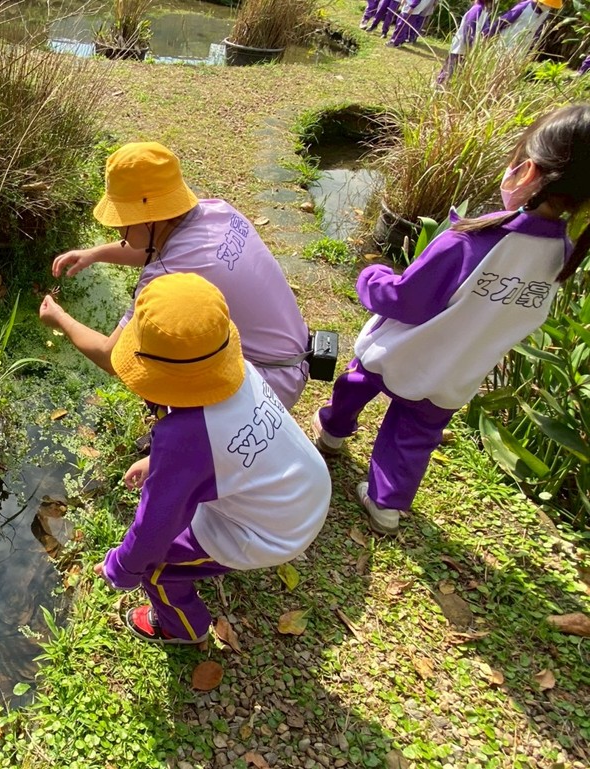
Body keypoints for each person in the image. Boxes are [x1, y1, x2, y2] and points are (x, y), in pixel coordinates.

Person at [312, 104, 590, 536]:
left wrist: (372, 277)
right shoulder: (563, 257)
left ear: (527, 171)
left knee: (357, 382)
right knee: (415, 436)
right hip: (456, 372)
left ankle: (333, 432)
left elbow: (405, 300)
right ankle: (386, 505)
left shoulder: (471, 240)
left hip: (401, 351)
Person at [93, 273, 331, 644]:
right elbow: (216, 445)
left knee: (157, 568)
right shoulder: (237, 373)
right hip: (306, 486)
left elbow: (154, 530)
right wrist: (157, 463)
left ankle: (182, 628)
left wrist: (121, 568)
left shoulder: (183, 438)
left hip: (276, 532)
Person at [39, 142, 310, 409]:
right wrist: (95, 253)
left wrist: (60, 318)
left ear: (147, 219)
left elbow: (110, 356)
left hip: (268, 386)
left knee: (159, 358)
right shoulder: (218, 210)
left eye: (121, 221)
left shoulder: (165, 274)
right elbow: (159, 247)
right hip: (297, 355)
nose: (118, 231)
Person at [436, 0, 491, 84]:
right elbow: (469, 26)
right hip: (462, 44)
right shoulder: (478, 8)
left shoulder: (483, 10)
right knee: (450, 67)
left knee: (458, 69)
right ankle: (439, 85)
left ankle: (446, 85)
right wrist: (470, 43)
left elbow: (481, 28)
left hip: (468, 46)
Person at [486, 0, 561, 49]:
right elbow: (503, 20)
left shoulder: (545, 13)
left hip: (522, 47)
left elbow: (537, 30)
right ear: (542, 3)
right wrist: (489, 34)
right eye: (549, 6)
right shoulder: (524, 7)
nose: (550, 8)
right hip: (506, 42)